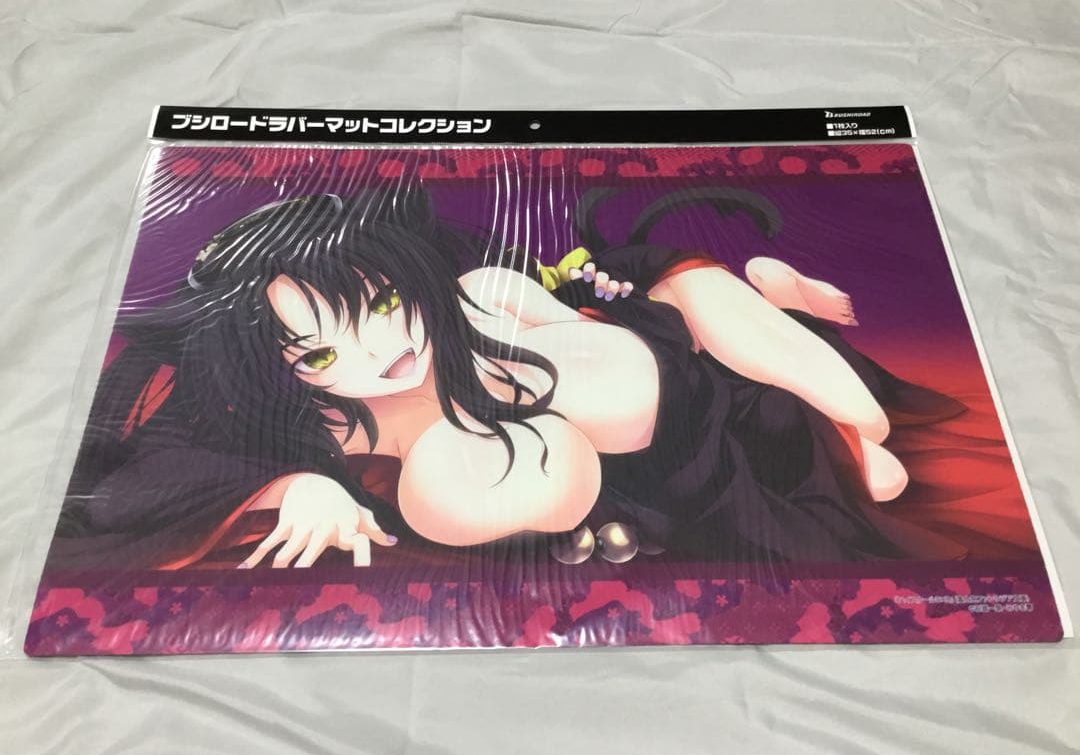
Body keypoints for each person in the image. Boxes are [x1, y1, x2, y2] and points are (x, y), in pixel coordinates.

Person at [49, 183, 964, 571]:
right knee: (863, 470)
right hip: (658, 456)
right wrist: (292, 488)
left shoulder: (474, 296)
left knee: (862, 424)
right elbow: (129, 488)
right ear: (279, 364)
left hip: (647, 343)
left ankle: (771, 306)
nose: (379, 352)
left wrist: (577, 327)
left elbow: (571, 315)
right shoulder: (314, 422)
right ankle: (793, 356)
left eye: (383, 303)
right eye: (320, 351)